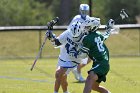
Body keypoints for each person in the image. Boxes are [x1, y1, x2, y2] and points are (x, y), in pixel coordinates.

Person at [46, 21, 87, 93]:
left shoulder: (84, 37)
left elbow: (85, 54)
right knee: (62, 78)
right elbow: (56, 43)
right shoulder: (67, 33)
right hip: (63, 58)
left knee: (58, 73)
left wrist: (77, 53)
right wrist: (51, 37)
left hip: (73, 61)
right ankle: (66, 92)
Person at [76, 19, 115, 93]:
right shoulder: (98, 34)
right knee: (94, 87)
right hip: (103, 63)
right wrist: (109, 28)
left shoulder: (87, 38)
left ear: (92, 27)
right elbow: (106, 35)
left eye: (87, 27)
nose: (85, 28)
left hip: (100, 63)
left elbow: (83, 55)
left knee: (89, 79)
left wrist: (77, 48)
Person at [68, 3, 92, 82]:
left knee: (89, 59)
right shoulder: (76, 18)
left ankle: (75, 70)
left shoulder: (88, 18)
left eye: (86, 11)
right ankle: (79, 75)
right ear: (80, 10)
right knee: (79, 58)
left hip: (85, 41)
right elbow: (70, 29)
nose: (84, 13)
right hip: (77, 41)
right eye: (83, 11)